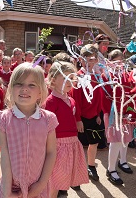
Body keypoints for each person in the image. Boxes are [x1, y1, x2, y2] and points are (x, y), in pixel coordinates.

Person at [0, 62, 58, 198]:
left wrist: (40, 185)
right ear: (10, 89)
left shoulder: (48, 119)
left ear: (40, 92)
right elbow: (4, 155)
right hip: (11, 186)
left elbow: (51, 152)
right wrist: (7, 191)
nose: (24, 89)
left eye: (31, 85)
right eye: (19, 84)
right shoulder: (3, 118)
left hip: (38, 187)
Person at [45, 61, 89, 197]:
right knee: (54, 181)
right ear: (53, 80)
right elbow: (46, 127)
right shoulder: (51, 101)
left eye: (72, 78)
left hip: (71, 143)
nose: (70, 81)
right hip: (58, 146)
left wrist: (78, 121)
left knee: (64, 177)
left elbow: (73, 114)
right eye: (65, 78)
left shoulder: (71, 100)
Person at [71, 44, 104, 181]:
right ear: (81, 59)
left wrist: (97, 114)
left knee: (94, 143)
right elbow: (75, 100)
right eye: (87, 59)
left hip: (93, 116)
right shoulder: (78, 77)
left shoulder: (98, 76)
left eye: (93, 59)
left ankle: (91, 166)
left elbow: (98, 97)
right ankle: (74, 171)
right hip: (80, 117)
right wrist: (78, 119)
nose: (90, 62)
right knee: (76, 146)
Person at [102, 49, 134, 185]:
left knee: (124, 139)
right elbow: (104, 96)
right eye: (116, 61)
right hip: (113, 114)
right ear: (110, 62)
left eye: (121, 60)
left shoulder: (126, 75)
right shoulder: (106, 76)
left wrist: (129, 110)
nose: (119, 63)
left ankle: (122, 161)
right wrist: (111, 113)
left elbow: (131, 93)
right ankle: (111, 169)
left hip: (125, 112)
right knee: (115, 141)